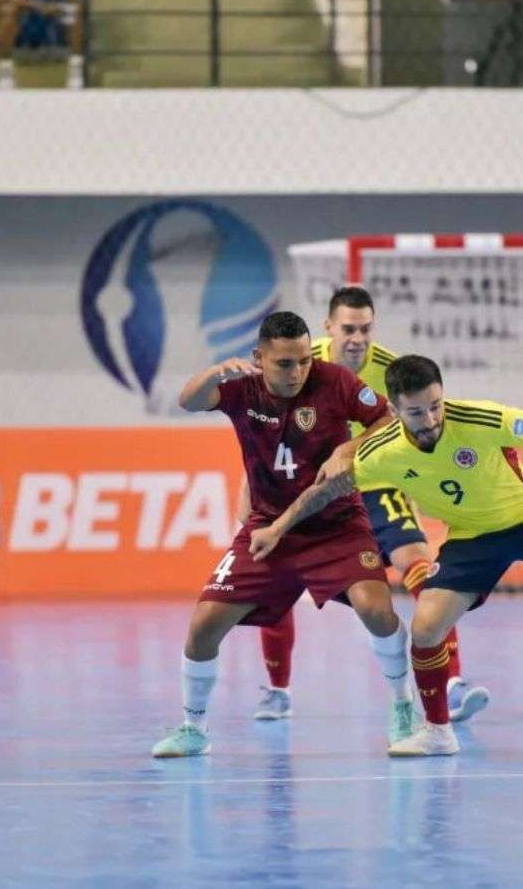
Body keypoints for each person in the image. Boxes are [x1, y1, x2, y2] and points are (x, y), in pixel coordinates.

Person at [250, 354, 523, 757]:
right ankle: (438, 731)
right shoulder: (381, 453)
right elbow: (322, 491)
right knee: (425, 626)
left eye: (436, 405)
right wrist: (277, 527)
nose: (431, 418)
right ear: (396, 412)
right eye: (417, 412)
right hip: (472, 538)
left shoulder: (478, 418)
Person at [151, 311, 415, 758]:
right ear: (259, 358)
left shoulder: (336, 381)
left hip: (337, 525)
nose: (297, 372)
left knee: (376, 609)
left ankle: (403, 706)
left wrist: (350, 447)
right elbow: (188, 401)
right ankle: (193, 729)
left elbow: (387, 421)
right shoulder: (241, 388)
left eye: (303, 361)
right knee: (203, 627)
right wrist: (215, 372)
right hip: (267, 528)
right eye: (284, 364)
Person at [253, 286, 490, 724]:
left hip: (379, 484)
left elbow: (420, 428)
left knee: (418, 561)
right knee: (275, 581)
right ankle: (277, 690)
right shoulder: (303, 363)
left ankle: (453, 682)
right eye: (348, 328)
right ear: (329, 328)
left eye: (365, 328)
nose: (357, 338)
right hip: (312, 491)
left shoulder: (394, 371)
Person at [0, 0, 84, 90]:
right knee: (7, 10)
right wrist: (35, 5)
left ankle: (76, 68)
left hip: (55, 18)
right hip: (26, 17)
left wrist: (55, 7)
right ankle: (5, 70)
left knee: (76, 12)